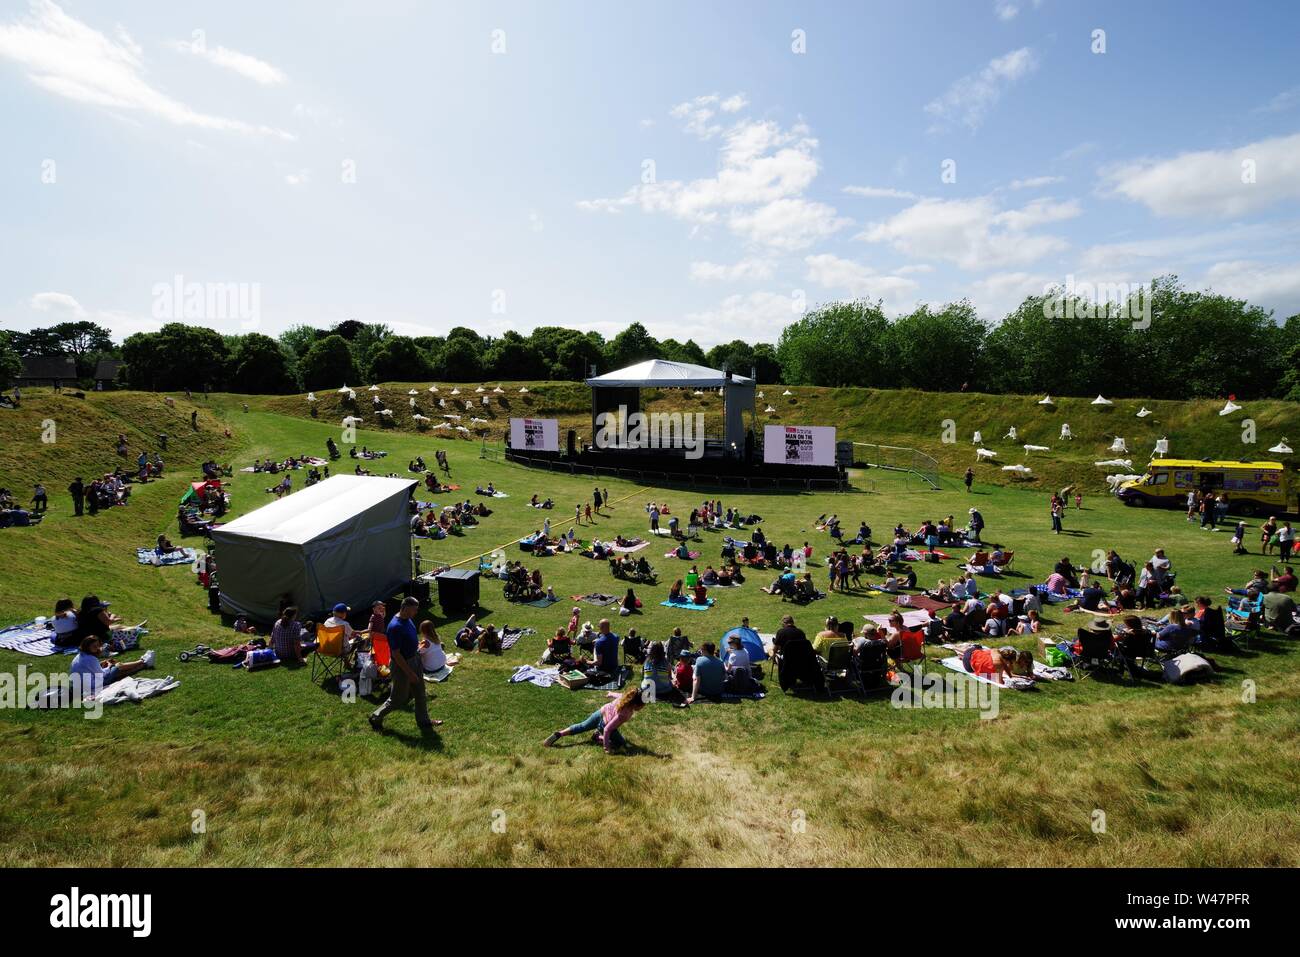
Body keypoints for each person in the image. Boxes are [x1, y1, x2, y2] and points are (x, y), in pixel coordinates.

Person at [370, 596, 441, 732]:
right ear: (406, 608)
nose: (416, 612)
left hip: (415, 658)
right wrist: (409, 673)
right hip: (402, 665)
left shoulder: (407, 619)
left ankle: (424, 721)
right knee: (398, 698)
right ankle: (375, 717)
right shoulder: (395, 627)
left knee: (420, 693)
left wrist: (419, 646)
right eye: (414, 609)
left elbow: (408, 642)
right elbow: (396, 654)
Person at [543, 684, 646, 752]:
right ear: (635, 704)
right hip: (605, 724)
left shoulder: (625, 698)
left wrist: (611, 694)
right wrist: (607, 748)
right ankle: (597, 737)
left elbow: (619, 695)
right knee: (621, 743)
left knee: (582, 726)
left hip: (600, 713)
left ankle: (559, 734)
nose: (642, 708)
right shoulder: (625, 714)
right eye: (642, 706)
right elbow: (607, 729)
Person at [70, 635, 155, 697]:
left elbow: (89, 668)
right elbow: (102, 675)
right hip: (94, 685)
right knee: (118, 666)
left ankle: (143, 664)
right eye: (94, 646)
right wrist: (109, 666)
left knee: (116, 670)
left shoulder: (80, 656)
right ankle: (142, 661)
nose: (97, 648)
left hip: (80, 685)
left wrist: (102, 664)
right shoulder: (91, 659)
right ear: (87, 647)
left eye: (98, 646)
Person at [772, 614, 825, 694]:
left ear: (784, 623)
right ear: (793, 623)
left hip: (787, 663)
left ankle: (782, 675)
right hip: (801, 662)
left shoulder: (781, 632)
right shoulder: (801, 632)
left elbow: (774, 649)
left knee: (772, 652)